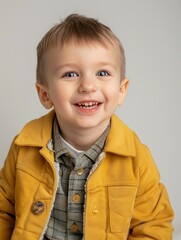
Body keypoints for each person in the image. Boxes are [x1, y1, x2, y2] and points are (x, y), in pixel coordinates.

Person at [0, 14, 174, 240]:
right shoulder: (24, 147)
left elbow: (153, 226)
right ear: (45, 94)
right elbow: (4, 212)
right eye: (70, 74)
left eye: (102, 73)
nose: (88, 86)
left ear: (121, 90)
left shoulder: (136, 159)